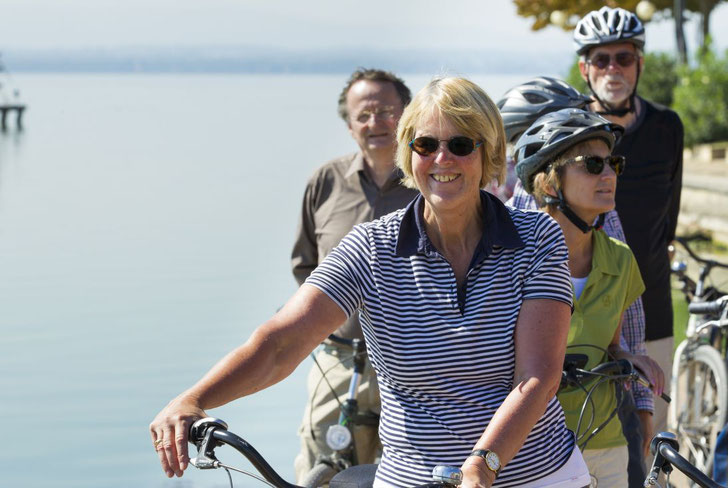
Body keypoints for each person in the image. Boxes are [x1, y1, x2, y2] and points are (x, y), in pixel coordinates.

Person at [150, 76, 591, 488]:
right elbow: (280, 343)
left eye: (461, 144)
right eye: (426, 144)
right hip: (411, 477)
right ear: (408, 153)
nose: (443, 159)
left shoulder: (537, 238)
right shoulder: (371, 246)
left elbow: (538, 375)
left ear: (489, 154)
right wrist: (193, 400)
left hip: (533, 474)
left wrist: (483, 464)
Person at [503, 76, 663, 486]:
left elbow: (614, 345)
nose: (609, 173)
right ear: (550, 181)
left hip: (605, 437)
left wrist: (634, 372)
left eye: (614, 163)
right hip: (532, 443)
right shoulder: (510, 259)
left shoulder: (619, 258)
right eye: (593, 164)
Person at [290, 68, 418, 481]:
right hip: (339, 357)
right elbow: (305, 264)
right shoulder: (325, 181)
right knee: (318, 466)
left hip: (414, 361)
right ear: (349, 125)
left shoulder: (432, 182)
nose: (375, 123)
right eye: (363, 115)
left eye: (386, 112)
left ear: (408, 115)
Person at [573, 6, 683, 443]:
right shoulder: (571, 129)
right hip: (586, 309)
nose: (612, 68)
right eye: (601, 59)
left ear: (639, 64)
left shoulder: (667, 126)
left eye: (624, 57)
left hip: (651, 304)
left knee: (652, 436)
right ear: (585, 68)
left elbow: (669, 211)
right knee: (585, 439)